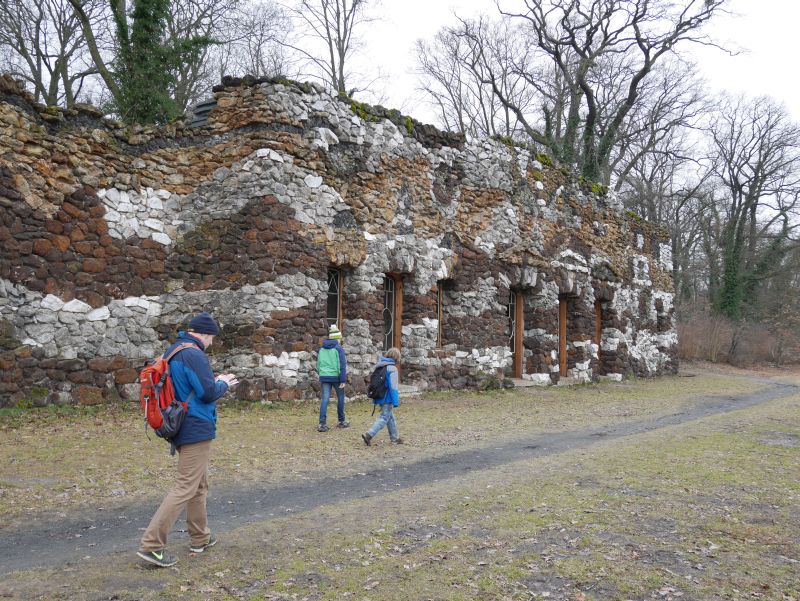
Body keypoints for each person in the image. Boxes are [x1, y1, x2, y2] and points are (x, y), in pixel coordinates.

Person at [136, 311, 238, 568]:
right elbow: (206, 393)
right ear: (205, 334)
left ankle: (200, 538)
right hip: (195, 425)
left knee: (198, 485)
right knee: (185, 486)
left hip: (181, 423)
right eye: (212, 337)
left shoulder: (174, 351)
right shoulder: (194, 354)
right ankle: (152, 545)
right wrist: (223, 383)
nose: (212, 343)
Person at [361, 347, 403, 445]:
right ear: (397, 357)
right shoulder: (392, 369)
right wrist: (395, 402)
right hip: (387, 398)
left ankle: (395, 438)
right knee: (384, 418)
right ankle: (369, 435)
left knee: (390, 417)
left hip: (379, 396)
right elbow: (393, 388)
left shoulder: (380, 366)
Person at [316, 324, 349, 432]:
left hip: (324, 376)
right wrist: (343, 379)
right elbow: (342, 365)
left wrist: (321, 373)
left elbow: (318, 363)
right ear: (337, 338)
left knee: (325, 398)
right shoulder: (338, 349)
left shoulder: (322, 349)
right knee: (340, 398)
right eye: (339, 337)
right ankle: (341, 421)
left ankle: (322, 423)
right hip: (336, 377)